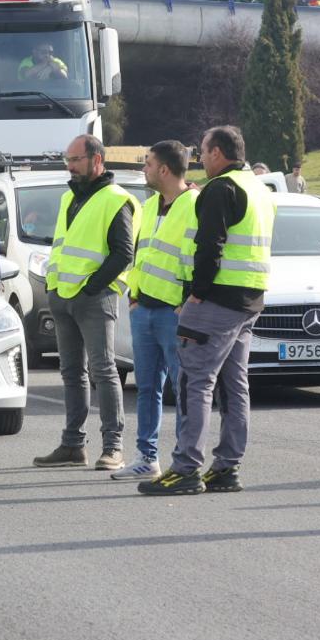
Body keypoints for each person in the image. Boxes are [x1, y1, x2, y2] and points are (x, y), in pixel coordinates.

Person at [139, 125, 273, 497]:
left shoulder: (220, 189)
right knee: (234, 384)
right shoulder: (258, 188)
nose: (200, 158)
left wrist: (196, 292)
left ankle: (186, 468)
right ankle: (227, 467)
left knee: (194, 380)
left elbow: (209, 246)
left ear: (218, 153)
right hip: (250, 300)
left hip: (218, 300)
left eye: (203, 151)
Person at [33, 135, 138, 471]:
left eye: (76, 159)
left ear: (96, 160)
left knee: (103, 370)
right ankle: (72, 444)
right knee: (71, 372)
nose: (70, 165)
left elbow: (124, 252)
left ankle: (113, 447)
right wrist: (54, 285)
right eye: (68, 158)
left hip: (93, 298)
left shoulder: (116, 199)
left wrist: (92, 287)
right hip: (63, 294)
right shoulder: (69, 197)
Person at [115, 140, 197, 481]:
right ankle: (147, 457)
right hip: (144, 308)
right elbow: (140, 252)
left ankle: (183, 459)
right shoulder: (149, 206)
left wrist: (185, 305)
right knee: (148, 387)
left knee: (183, 386)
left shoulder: (193, 204)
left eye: (147, 164)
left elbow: (198, 258)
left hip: (172, 313)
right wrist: (133, 296)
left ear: (164, 169)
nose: (144, 169)